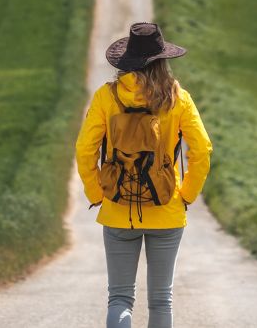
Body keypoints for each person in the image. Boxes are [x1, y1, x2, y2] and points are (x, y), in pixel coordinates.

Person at [75, 22, 213, 328]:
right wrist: (187, 194)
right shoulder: (178, 98)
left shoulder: (106, 96)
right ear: (163, 61)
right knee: (161, 300)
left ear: (127, 61)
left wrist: (97, 193)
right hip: (166, 207)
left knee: (120, 298)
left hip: (117, 209)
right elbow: (201, 149)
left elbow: (85, 149)